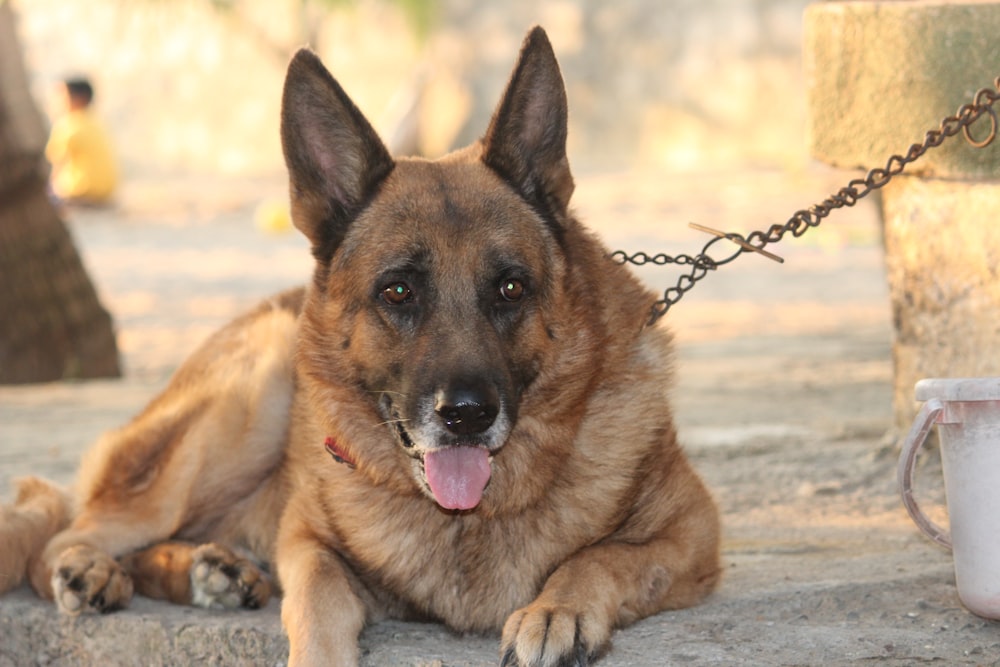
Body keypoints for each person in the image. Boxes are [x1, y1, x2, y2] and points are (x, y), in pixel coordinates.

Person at [45, 77, 118, 205]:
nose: (56, 102)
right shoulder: (95, 121)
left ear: (80, 98)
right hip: (107, 194)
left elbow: (54, 165)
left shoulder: (69, 124)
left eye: (62, 96)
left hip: (80, 194)